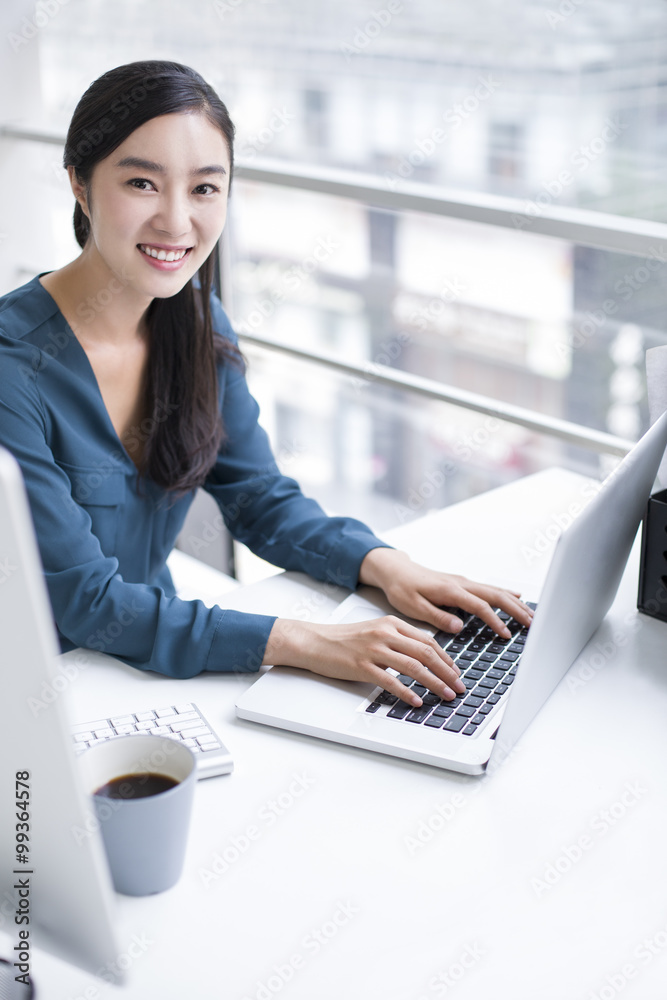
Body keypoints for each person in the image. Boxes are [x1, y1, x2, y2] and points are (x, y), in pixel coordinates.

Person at [0, 60, 532, 710]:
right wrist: (310, 643)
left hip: (143, 671)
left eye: (204, 189)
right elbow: (88, 603)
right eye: (141, 182)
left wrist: (388, 567)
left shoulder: (195, 321)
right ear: (80, 185)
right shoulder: (12, 367)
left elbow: (258, 499)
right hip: (37, 692)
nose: (175, 221)